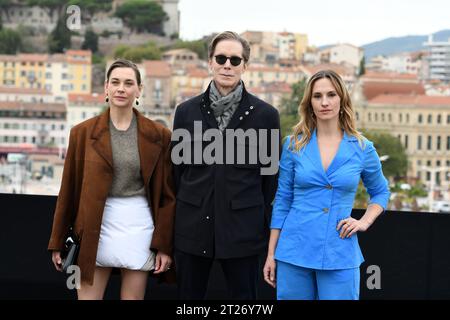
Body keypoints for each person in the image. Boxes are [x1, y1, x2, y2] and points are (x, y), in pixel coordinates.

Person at [48, 59, 176, 300]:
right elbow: (68, 190)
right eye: (115, 82)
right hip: (93, 226)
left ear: (139, 90)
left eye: (129, 83)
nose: (121, 88)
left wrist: (164, 246)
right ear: (106, 87)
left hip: (138, 226)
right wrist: (57, 240)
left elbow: (167, 196)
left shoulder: (159, 135)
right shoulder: (82, 133)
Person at [263, 70, 390, 300]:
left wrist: (364, 222)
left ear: (342, 99)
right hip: (294, 251)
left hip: (339, 251)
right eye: (317, 96)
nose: (324, 102)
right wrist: (271, 253)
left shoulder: (362, 148)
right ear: (309, 103)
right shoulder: (293, 145)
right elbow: (282, 200)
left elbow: (380, 191)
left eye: (331, 94)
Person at [172, 31, 280, 299]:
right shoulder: (186, 112)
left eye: (235, 59)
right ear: (210, 62)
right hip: (192, 231)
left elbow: (270, 180)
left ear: (245, 65)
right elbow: (177, 173)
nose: (227, 65)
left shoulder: (266, 116)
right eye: (221, 58)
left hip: (244, 233)